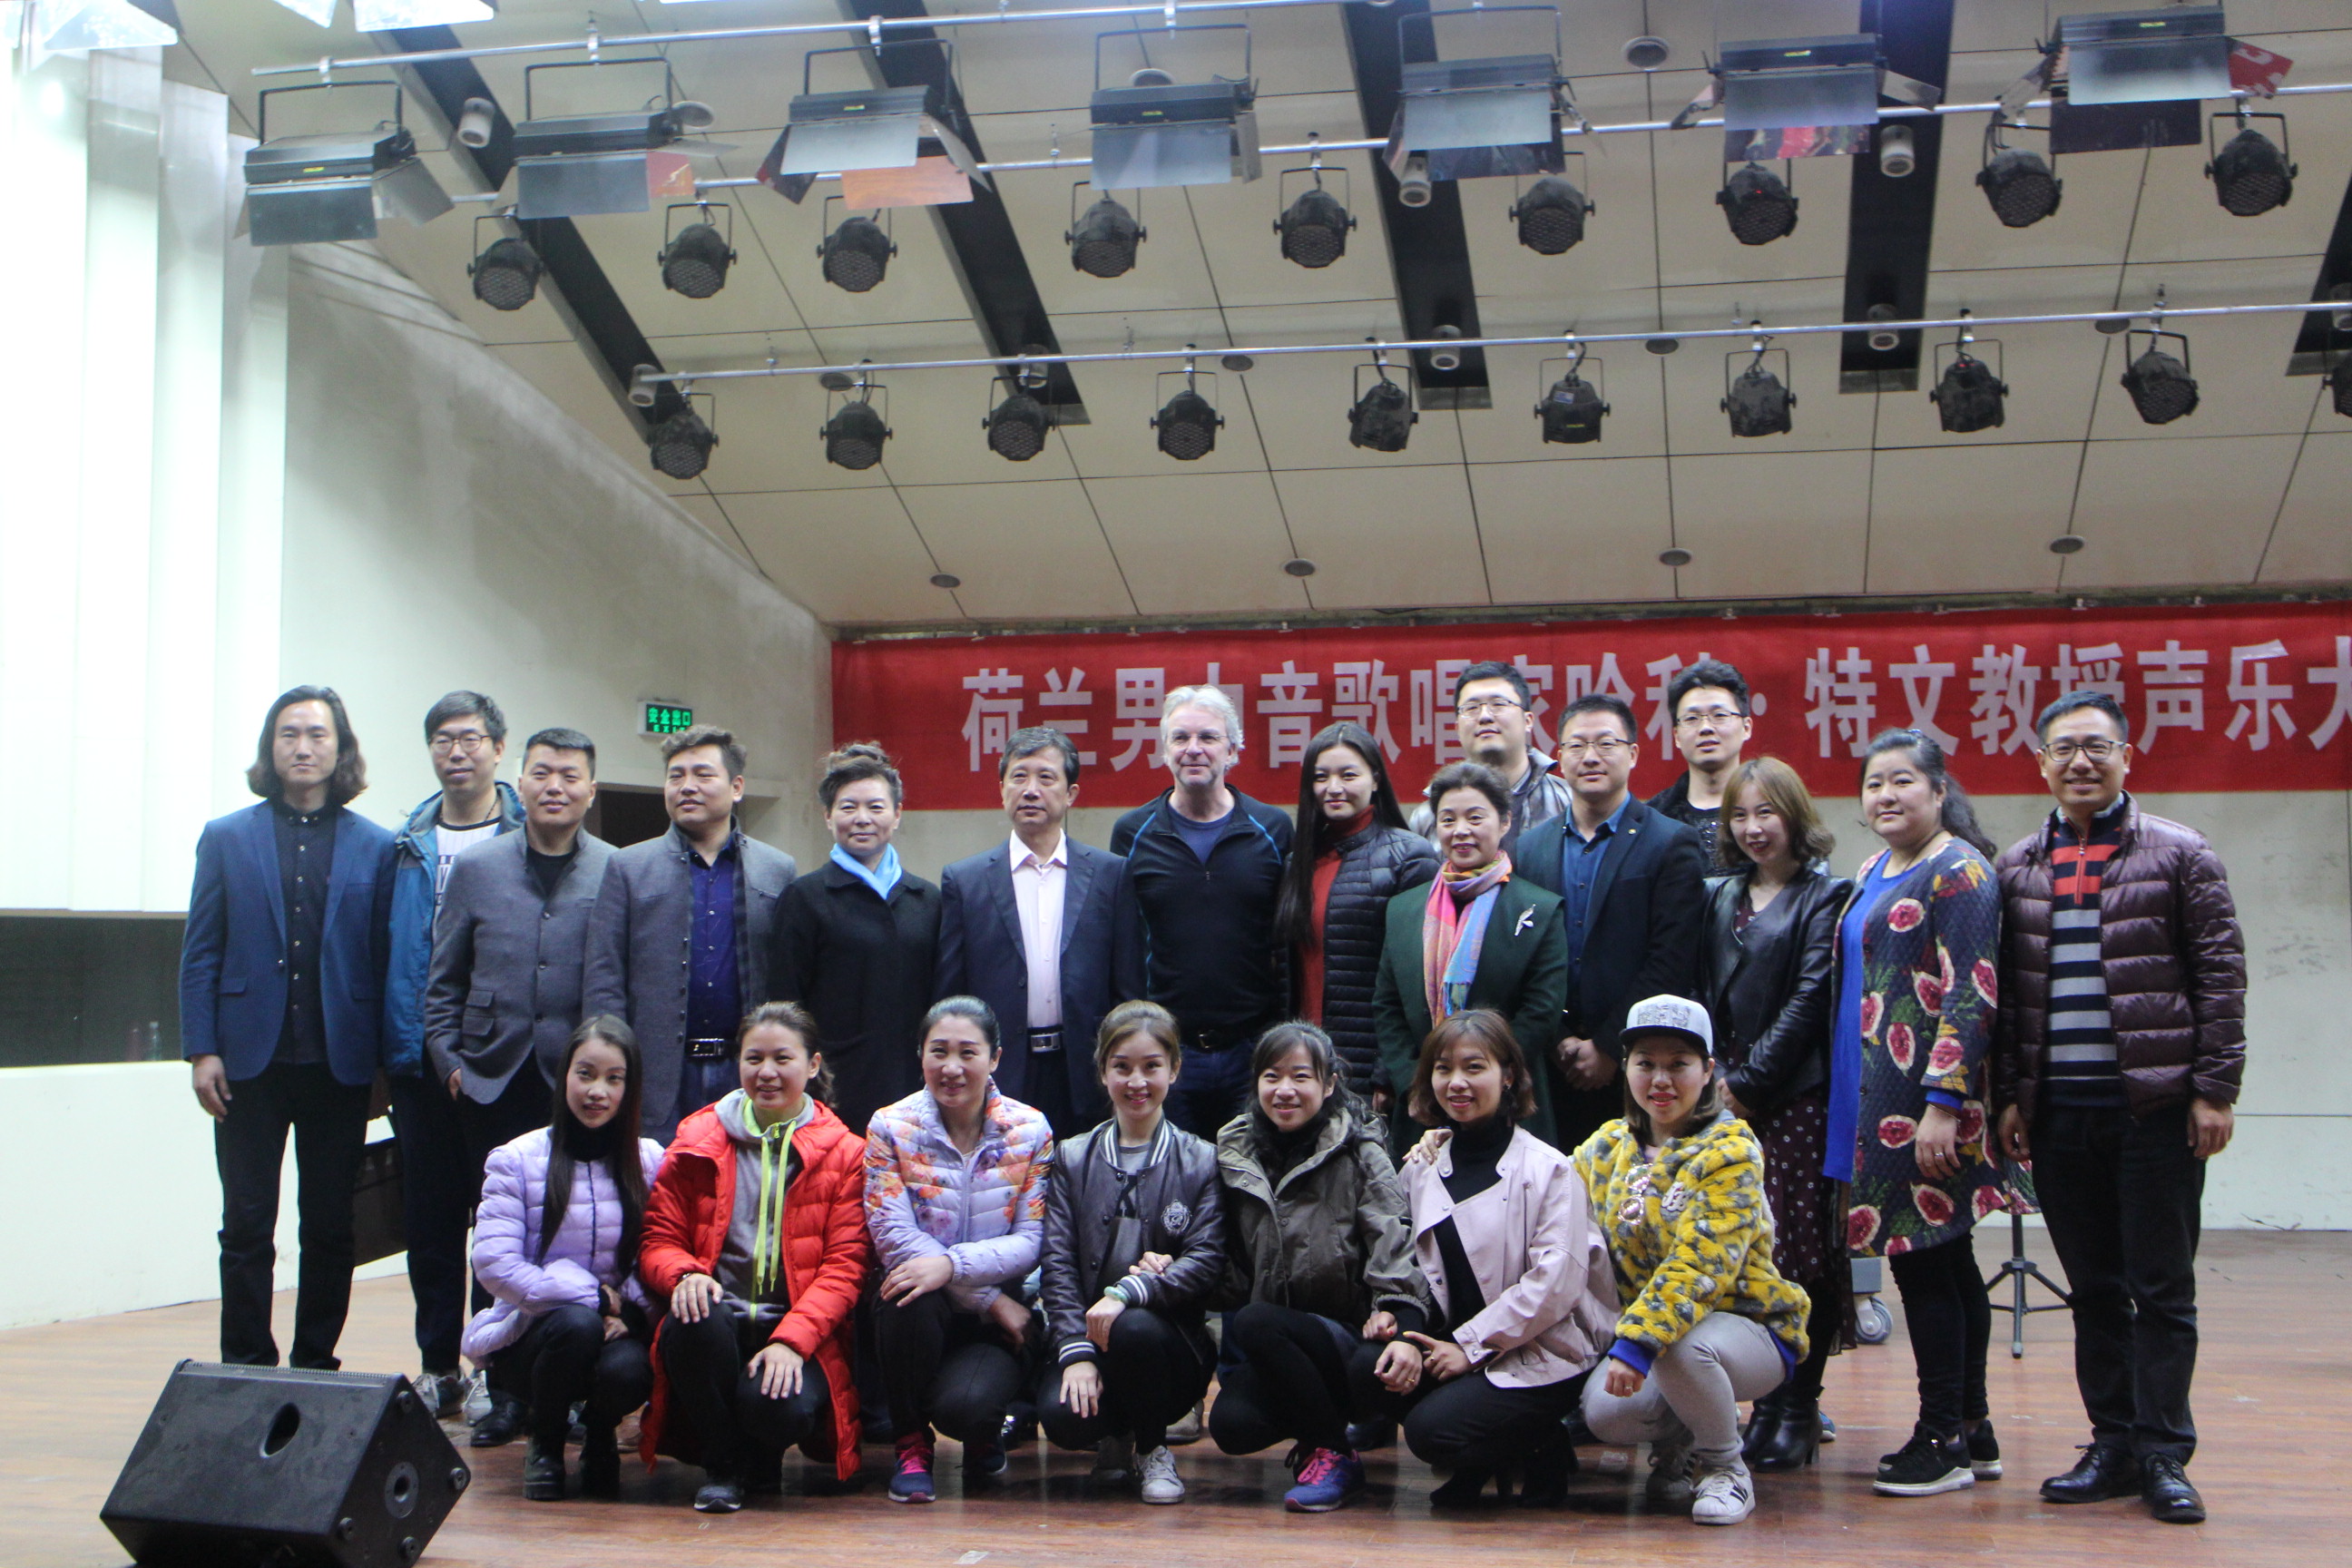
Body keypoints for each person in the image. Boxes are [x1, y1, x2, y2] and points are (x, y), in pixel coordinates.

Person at [1992, 691, 2244, 1526]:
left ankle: (2164, 1453)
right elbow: (2008, 1001)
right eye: (2063, 748)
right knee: (2095, 1289)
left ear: (2127, 757)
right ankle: (2112, 1444)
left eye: (2097, 746)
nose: (2080, 762)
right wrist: (2009, 1098)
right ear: (2041, 763)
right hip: (2061, 1115)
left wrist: (2215, 1090)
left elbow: (2220, 977)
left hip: (2156, 1111)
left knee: (2161, 1288)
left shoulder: (2179, 853)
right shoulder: (2018, 867)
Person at [180, 687, 394, 1373]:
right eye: (289, 734)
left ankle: (314, 1360)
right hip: (247, 1064)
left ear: (340, 749)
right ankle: (245, 1361)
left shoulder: (378, 847)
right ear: (271, 748)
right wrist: (201, 1049)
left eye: (317, 735)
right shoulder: (226, 837)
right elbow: (201, 951)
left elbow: (385, 961)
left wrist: (385, 1067)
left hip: (340, 1065)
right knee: (246, 1223)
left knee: (330, 1224)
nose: (303, 747)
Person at [423, 727, 613, 1444]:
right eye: (542, 773)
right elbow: (442, 978)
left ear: (591, 790)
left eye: (569, 775)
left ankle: (566, 1389)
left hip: (580, 1083)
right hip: (490, 1076)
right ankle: (500, 1390)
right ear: (520, 782)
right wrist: (450, 1060)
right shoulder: (478, 867)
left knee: (577, 1233)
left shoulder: (614, 868)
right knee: (497, 1236)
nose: (554, 786)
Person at [1834, 730, 2005, 1499]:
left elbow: (1972, 991)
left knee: (1922, 1261)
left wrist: (1944, 1102)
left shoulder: (1958, 871)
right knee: (1947, 1260)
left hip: (1923, 1103)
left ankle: (1941, 1438)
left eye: (1903, 781)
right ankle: (1972, 1425)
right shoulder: (1874, 869)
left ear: (1939, 791)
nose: (1886, 796)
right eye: (1874, 784)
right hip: (1871, 1091)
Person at [1576, 996, 1810, 1527]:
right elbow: (1542, 1187)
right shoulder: (1607, 1146)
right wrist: (1450, 1140)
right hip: (1658, 1340)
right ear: (1627, 1068)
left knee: (1680, 1344)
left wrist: (1636, 1343)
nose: (1661, 1079)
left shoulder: (1731, 1148)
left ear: (1707, 1071)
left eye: (1678, 1064)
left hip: (1749, 1328)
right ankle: (1681, 1439)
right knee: (1606, 1413)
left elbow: (1700, 1264)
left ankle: (1726, 1467)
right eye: (1646, 1063)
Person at [1376, 1010, 1614, 1510]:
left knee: (1430, 1432)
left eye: (1474, 1067)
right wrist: (1400, 1329)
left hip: (1542, 1350)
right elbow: (1404, 1263)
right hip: (1453, 1342)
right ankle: (1485, 1454)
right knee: (1367, 1371)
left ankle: (1540, 1442)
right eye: (1443, 1069)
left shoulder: (1550, 1169)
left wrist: (1469, 1346)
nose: (1457, 1082)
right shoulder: (1422, 1165)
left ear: (1508, 1075)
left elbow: (1554, 1286)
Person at [637, 1002, 870, 1514]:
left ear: (812, 1064)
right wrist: (683, 1275)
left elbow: (845, 1267)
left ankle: (760, 1455)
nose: (766, 1072)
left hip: (794, 1331)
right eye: (754, 1058)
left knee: (777, 1410)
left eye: (782, 1059)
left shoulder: (847, 1153)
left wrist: (792, 1340)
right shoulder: (696, 1137)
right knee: (690, 1320)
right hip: (718, 1325)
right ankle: (723, 1464)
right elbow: (658, 1239)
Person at [1692, 756, 1853, 1470]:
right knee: (1740, 1256)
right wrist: (1712, 1078)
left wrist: (1750, 1084)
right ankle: (1763, 1401)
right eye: (1739, 815)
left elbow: (1811, 997)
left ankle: (1799, 1405)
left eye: (1766, 813)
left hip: (1793, 1097)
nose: (1753, 828)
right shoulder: (1721, 894)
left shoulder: (1826, 895)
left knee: (1797, 1254)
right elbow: (1701, 991)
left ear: (1795, 816)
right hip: (1722, 1091)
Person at [1209, 1023, 1429, 1514]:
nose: (1284, 1090)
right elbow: (1228, 1266)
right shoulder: (1234, 1155)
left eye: (1300, 1076)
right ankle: (1321, 1438)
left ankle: (1333, 1454)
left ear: (1329, 1084)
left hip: (1348, 1339)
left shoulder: (1360, 1151)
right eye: (1272, 1076)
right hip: (1277, 1344)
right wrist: (1171, 1262)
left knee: (1255, 1322)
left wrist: (1396, 1317)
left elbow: (1394, 1244)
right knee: (1233, 1425)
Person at [384, 691, 523, 1417]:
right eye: (443, 739)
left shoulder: (526, 834)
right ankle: (439, 1364)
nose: (457, 751)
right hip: (420, 1061)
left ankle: (492, 1362)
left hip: (503, 1060)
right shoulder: (403, 845)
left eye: (470, 738)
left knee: (497, 1218)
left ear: (498, 749)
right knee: (431, 1219)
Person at [463, 1017, 664, 1501]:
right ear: (564, 1076)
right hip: (532, 1335)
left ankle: (599, 1435)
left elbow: (658, 1251)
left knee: (630, 1369)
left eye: (614, 1079)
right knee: (576, 1325)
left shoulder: (651, 1160)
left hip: (613, 1326)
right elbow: (493, 1263)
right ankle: (546, 1443)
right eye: (585, 1074)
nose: (597, 1091)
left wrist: (629, 1313)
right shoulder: (516, 1158)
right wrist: (595, 1300)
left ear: (630, 1088)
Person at [865, 996, 1054, 1504]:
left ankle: (981, 1431)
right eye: (939, 1052)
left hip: (994, 1318)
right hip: (937, 1305)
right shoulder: (890, 1126)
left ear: (995, 1058)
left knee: (966, 1409)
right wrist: (986, 1297)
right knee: (904, 1293)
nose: (952, 1067)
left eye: (967, 1053)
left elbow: (1030, 1241)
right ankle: (910, 1443)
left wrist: (950, 1267)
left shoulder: (1031, 1130)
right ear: (920, 1055)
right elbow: (891, 1233)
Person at [1037, 1002, 1224, 1505]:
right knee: (1063, 1420)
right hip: (1091, 1342)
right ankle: (1115, 1436)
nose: (1136, 1081)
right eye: (1122, 1067)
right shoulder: (1072, 1157)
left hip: (1169, 1348)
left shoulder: (1201, 1159)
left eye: (1151, 1066)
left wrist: (1131, 1290)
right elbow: (1057, 1265)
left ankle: (1152, 1446)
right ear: (1103, 1072)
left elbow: (1206, 1259)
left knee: (1135, 1327)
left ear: (1174, 1070)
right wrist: (1075, 1352)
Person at [583, 726, 796, 1143]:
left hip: (747, 1070)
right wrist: (611, 1064)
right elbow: (604, 976)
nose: (687, 787)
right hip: (658, 1073)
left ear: (737, 787)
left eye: (703, 774)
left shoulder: (777, 869)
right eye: (676, 776)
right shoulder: (628, 867)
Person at [1517, 693, 1709, 1151]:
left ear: (1633, 753)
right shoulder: (1528, 848)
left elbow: (1672, 959)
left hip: (1639, 1066)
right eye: (1576, 745)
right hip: (1551, 1065)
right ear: (1559, 756)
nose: (1590, 757)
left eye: (1606, 744)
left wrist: (1608, 1046)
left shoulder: (1670, 842)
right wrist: (1557, 1038)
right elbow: (1523, 956)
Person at [935, 726, 1142, 1139]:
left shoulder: (1110, 874)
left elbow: (1128, 988)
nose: (1031, 790)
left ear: (1071, 794)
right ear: (1002, 789)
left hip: (1084, 1069)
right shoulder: (965, 880)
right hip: (1000, 1070)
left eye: (1046, 778)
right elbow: (951, 994)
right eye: (1019, 777)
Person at [1111, 687, 1293, 1138]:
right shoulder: (1132, 833)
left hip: (1254, 1050)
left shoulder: (1272, 829)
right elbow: (1122, 942)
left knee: (1252, 1172)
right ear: (1164, 751)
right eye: (1180, 738)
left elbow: (1288, 941)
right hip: (1167, 1052)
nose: (1193, 749)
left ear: (1233, 751)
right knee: (1175, 1174)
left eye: (1208, 737)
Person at [1371, 761, 1568, 1149]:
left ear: (1505, 822)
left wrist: (1484, 1076)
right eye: (1448, 819)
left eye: (1475, 818)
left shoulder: (1538, 908)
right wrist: (1419, 1082)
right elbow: (1387, 1006)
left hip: (1510, 1101)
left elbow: (1541, 1010)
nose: (1460, 830)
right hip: (1423, 1106)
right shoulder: (1404, 909)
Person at [769, 743, 944, 1139]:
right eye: (848, 807)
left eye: (876, 807)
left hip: (916, 1088)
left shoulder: (927, 899)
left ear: (897, 814)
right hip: (833, 1090)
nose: (862, 819)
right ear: (828, 816)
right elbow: (785, 1005)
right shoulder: (804, 898)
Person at [1274, 721, 1440, 1102]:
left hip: (1370, 1072)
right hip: (1303, 1066)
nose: (1333, 788)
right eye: (1321, 777)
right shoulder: (1298, 862)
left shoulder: (1409, 857)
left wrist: (1388, 1072)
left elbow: (1416, 980)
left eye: (1348, 775)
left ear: (1376, 779)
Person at [1406, 661, 1573, 857]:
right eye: (1472, 708)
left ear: (1528, 721)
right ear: (1457, 728)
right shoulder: (1427, 818)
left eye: (1498, 704)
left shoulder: (1568, 802)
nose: (1485, 716)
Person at [1646, 660, 1756, 860]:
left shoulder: (1775, 807)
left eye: (1719, 715)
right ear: (1677, 736)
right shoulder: (1653, 819)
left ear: (1746, 728)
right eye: (1692, 718)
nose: (1706, 728)